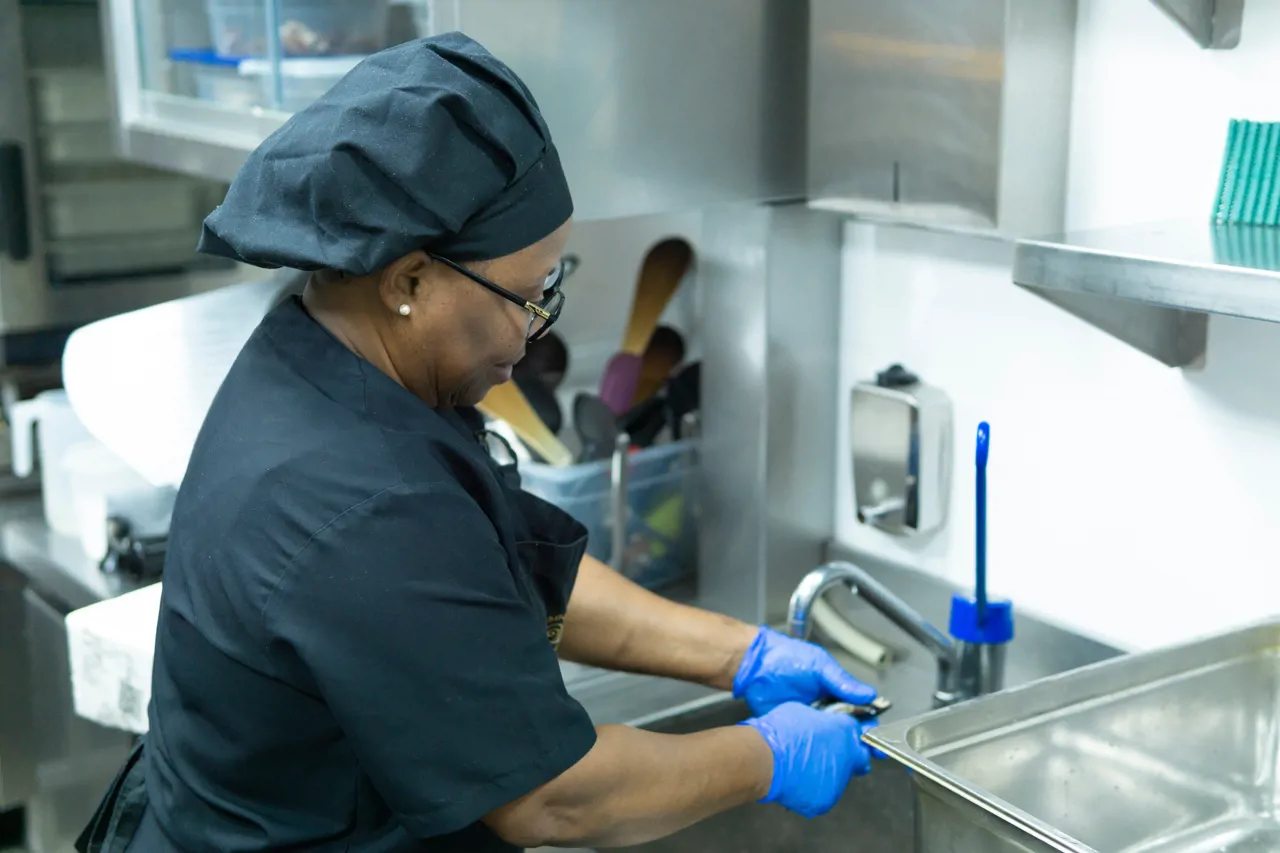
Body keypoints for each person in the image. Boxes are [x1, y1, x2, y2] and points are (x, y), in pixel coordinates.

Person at [75, 32, 880, 853]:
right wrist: (766, 757)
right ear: (408, 282)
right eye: (525, 297)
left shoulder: (328, 353)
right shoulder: (359, 502)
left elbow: (504, 571)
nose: (533, 333)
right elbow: (557, 799)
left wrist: (736, 654)